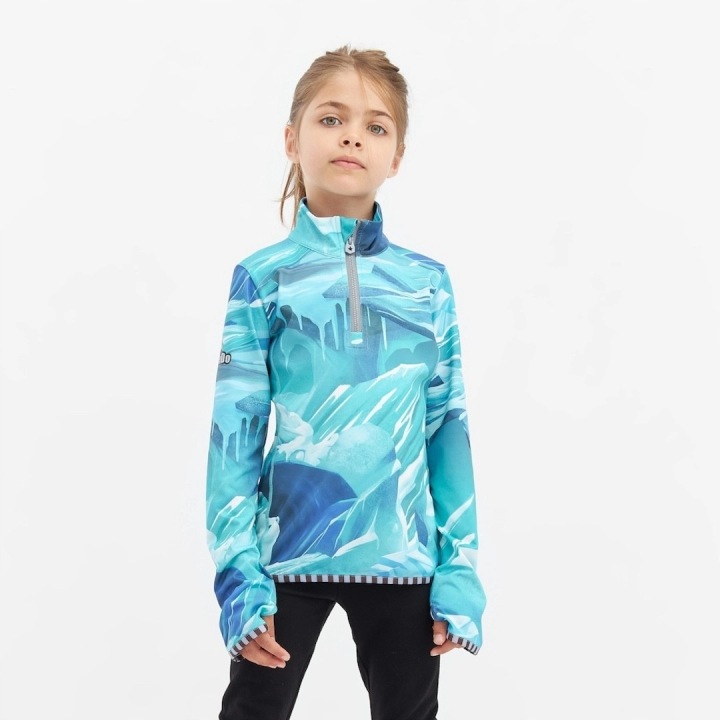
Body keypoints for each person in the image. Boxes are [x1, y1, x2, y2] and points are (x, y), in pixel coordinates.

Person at [206, 44, 487, 720]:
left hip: (404, 558)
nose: (353, 136)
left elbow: (447, 429)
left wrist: (459, 570)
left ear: (397, 157)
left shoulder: (426, 283)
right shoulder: (263, 278)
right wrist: (239, 577)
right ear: (291, 139)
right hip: (284, 558)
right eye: (331, 119)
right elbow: (233, 438)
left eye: (375, 126)